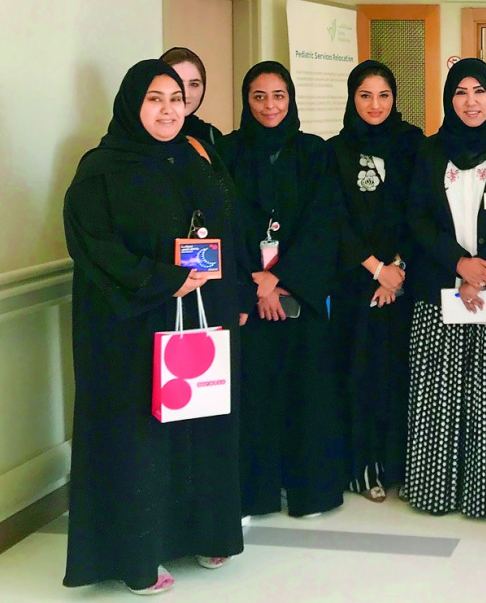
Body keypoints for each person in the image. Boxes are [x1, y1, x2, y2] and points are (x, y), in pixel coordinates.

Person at [63, 60, 244, 594]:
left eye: (176, 99)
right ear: (130, 104)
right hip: (130, 329)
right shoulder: (100, 169)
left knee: (200, 425)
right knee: (140, 435)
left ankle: (204, 533)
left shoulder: (195, 157)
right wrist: (165, 281)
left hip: (198, 319)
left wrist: (225, 294)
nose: (169, 110)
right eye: (155, 99)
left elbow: (225, 229)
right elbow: (95, 247)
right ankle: (139, 556)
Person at [405, 58, 486, 518]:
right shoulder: (428, 151)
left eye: (479, 91)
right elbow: (416, 218)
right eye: (460, 92)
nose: (470, 101)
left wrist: (484, 269)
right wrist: (458, 265)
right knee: (440, 398)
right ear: (449, 99)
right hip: (440, 291)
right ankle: (437, 491)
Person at [217, 61, 346, 519]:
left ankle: (310, 491)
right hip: (249, 299)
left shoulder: (314, 153)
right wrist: (253, 281)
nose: (269, 106)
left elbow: (324, 224)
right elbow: (221, 225)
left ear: (290, 99)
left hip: (299, 298)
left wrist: (281, 277)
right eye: (258, 96)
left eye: (278, 96)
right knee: (254, 395)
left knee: (306, 395)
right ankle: (255, 493)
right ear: (246, 101)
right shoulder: (226, 152)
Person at [328, 61, 423, 502]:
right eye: (365, 95)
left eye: (384, 95)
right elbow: (336, 220)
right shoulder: (336, 150)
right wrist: (375, 269)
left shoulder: (412, 143)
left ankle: (398, 467)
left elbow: (420, 210)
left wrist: (396, 268)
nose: (375, 104)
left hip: (405, 281)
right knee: (361, 373)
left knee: (400, 374)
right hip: (355, 281)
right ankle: (364, 471)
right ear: (352, 98)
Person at [161, 46, 222, 147]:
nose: (186, 93)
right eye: (177, 82)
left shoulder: (211, 136)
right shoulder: (139, 133)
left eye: (194, 84)